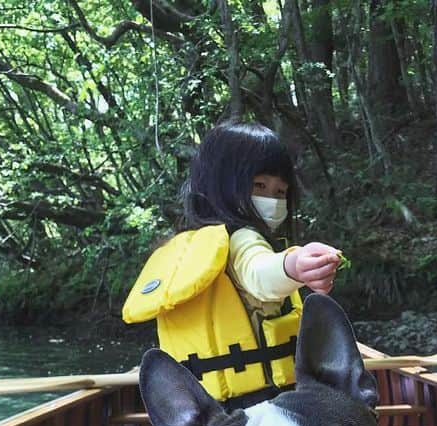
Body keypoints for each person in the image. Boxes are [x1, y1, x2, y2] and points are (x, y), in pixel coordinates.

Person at [122, 122, 343, 409]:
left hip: (206, 410)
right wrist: (294, 264)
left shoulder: (189, 247)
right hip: (262, 406)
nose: (272, 200)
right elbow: (260, 273)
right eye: (259, 186)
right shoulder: (243, 239)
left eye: (280, 192)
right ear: (221, 184)